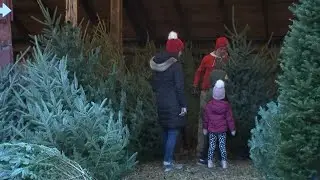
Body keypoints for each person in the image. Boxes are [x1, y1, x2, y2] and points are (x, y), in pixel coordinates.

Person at [150, 31, 187, 172]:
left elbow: (154, 85)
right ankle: (168, 163)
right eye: (180, 50)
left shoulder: (157, 65)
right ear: (177, 50)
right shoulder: (176, 66)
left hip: (160, 101)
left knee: (165, 130)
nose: (181, 53)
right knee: (173, 131)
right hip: (173, 103)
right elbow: (179, 87)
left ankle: (167, 160)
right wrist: (183, 105)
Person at [192, 36, 229, 165]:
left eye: (225, 48)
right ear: (217, 48)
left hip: (220, 93)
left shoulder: (226, 59)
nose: (223, 50)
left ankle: (218, 154)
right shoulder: (207, 59)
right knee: (204, 120)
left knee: (219, 121)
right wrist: (196, 85)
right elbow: (199, 72)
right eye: (222, 48)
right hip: (206, 92)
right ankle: (200, 151)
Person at [203, 80, 236, 169]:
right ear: (223, 94)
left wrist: (205, 128)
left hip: (212, 129)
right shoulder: (226, 105)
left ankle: (209, 162)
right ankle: (224, 163)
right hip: (222, 130)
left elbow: (206, 118)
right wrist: (232, 129)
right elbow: (229, 118)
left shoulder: (209, 105)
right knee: (222, 146)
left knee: (211, 146)